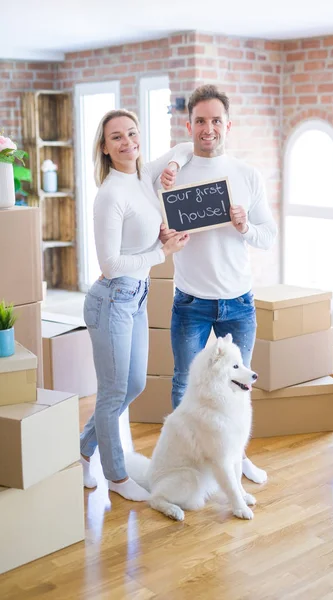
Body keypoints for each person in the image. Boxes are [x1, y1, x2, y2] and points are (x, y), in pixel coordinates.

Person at [159, 85, 278, 485]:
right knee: (183, 382)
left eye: (215, 121)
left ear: (228, 125)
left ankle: (235, 458)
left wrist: (245, 227)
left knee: (238, 384)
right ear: (188, 125)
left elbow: (268, 236)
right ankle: (186, 459)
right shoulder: (173, 173)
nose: (208, 129)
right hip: (190, 301)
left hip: (239, 302)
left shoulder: (247, 175)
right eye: (200, 121)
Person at [80, 109, 191, 501]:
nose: (127, 142)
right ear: (105, 149)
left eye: (132, 133)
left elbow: (186, 145)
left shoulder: (143, 177)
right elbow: (109, 266)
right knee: (112, 393)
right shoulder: (110, 194)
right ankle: (116, 476)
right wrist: (162, 252)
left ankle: (82, 447)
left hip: (137, 297)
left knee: (135, 384)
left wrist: (174, 164)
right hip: (112, 299)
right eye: (116, 138)